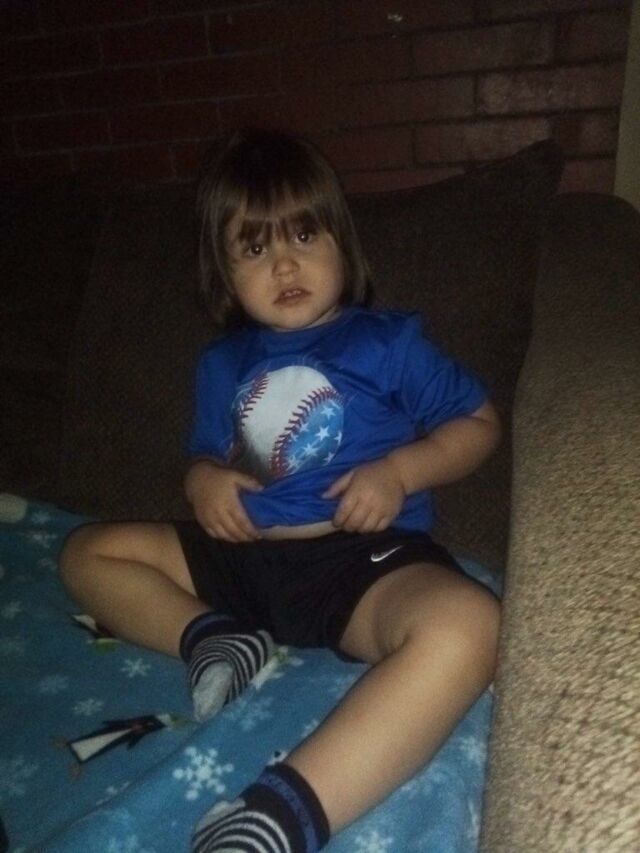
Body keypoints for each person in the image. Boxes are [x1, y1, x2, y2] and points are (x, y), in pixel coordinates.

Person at [60, 128, 502, 853]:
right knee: (87, 552)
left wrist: (401, 472)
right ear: (224, 274)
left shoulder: (386, 342)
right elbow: (206, 455)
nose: (285, 263)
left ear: (341, 243)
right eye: (254, 247)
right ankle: (215, 639)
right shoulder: (222, 362)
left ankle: (277, 818)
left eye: (302, 234)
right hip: (240, 557)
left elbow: (480, 423)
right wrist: (202, 480)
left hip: (360, 562)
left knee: (472, 626)